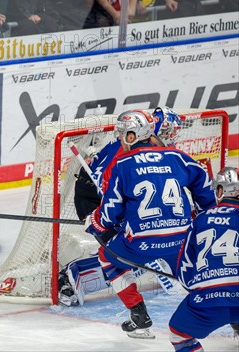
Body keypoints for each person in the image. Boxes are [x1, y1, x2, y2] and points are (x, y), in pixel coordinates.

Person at [85, 109, 216, 338]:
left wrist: (94, 223)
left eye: (122, 134)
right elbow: (203, 182)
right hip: (181, 240)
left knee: (107, 259)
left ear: (132, 136)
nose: (120, 139)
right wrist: (204, 214)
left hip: (141, 244)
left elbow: (110, 213)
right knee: (200, 280)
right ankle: (234, 320)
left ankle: (139, 315)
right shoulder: (176, 156)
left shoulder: (122, 164)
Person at [60, 106, 184, 306]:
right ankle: (72, 277)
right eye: (169, 133)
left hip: (114, 197)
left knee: (145, 243)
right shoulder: (127, 151)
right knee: (124, 248)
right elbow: (108, 191)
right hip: (93, 197)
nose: (171, 139)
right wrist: (106, 219)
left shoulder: (148, 145)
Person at [169, 166, 239, 351]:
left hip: (208, 300)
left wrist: (195, 287)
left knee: (178, 333)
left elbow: (184, 269)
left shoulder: (200, 219)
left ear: (222, 190)